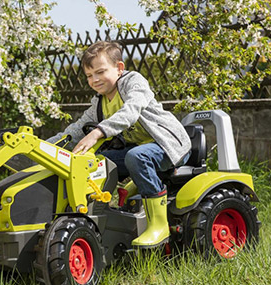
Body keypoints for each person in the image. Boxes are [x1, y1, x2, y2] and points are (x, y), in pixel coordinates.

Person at [47, 41, 191, 248]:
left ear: (119, 68)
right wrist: (46, 147)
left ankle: (158, 225)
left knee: (137, 157)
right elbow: (76, 130)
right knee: (97, 162)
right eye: (89, 76)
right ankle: (101, 217)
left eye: (100, 72)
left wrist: (99, 132)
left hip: (168, 145)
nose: (94, 80)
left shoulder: (134, 83)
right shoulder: (100, 102)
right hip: (139, 149)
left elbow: (131, 111)